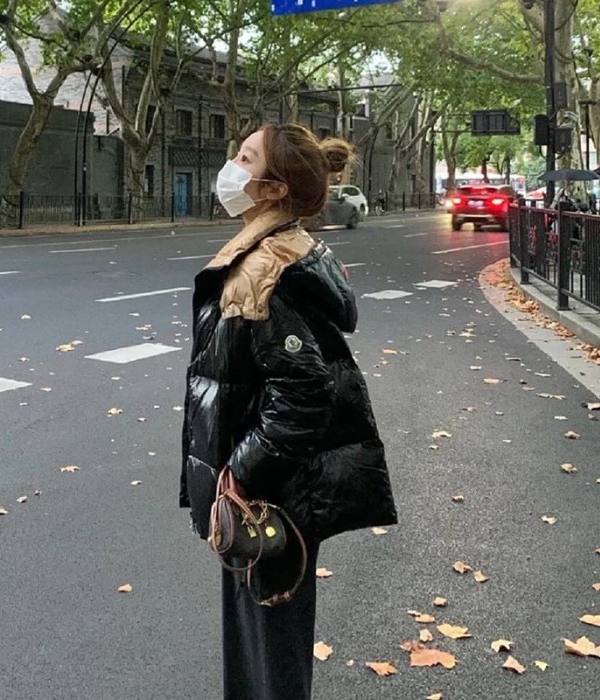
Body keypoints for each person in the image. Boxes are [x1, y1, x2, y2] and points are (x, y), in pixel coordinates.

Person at [180, 123, 397, 700]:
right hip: (278, 483)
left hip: (273, 489)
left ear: (273, 189)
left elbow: (303, 392)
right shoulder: (282, 247)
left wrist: (242, 469)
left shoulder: (264, 269)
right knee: (259, 635)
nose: (231, 165)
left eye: (244, 157)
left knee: (268, 643)